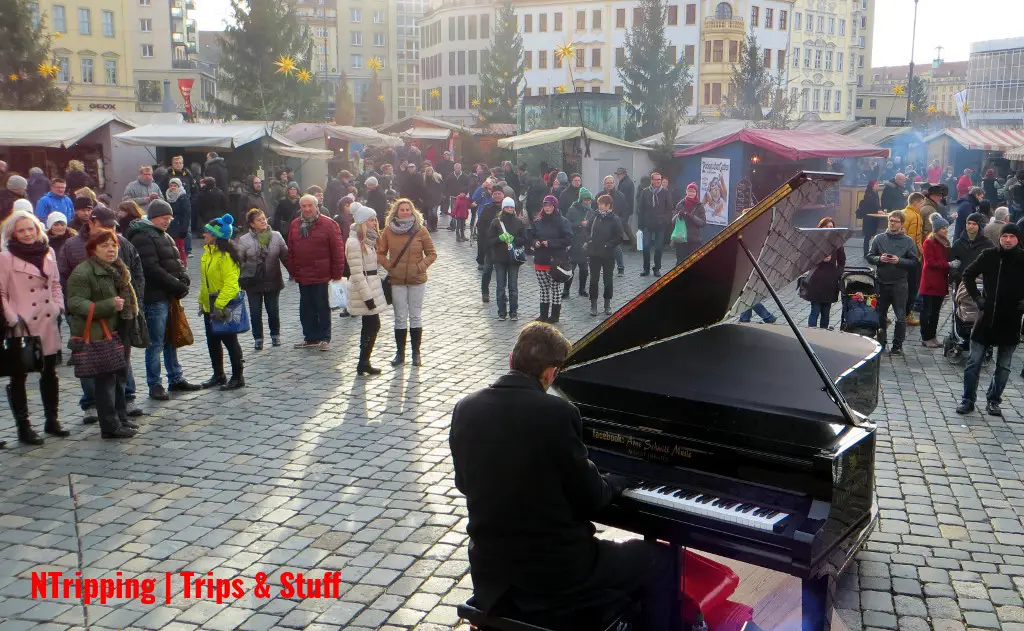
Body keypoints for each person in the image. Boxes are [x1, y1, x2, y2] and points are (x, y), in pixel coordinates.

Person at [450, 322, 676, 631]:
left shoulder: (465, 408)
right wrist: (619, 479)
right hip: (557, 571)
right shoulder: (557, 413)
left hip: (492, 568)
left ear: (510, 359)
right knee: (660, 561)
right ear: (550, 373)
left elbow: (464, 484)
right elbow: (593, 497)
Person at [0, 210, 68, 445]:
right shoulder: (6, 257)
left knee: (50, 371)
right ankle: (24, 427)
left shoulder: (48, 252)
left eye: (30, 229)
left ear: (38, 229)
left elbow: (56, 284)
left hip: (48, 319)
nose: (27, 234)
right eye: (21, 230)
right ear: (13, 234)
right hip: (21, 323)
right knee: (19, 376)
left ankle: (52, 419)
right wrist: (12, 318)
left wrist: (59, 307)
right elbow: (1, 293)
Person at [126, 200, 202, 400]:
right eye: (164, 218)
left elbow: (176, 261)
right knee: (156, 343)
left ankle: (175, 378)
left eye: (169, 218)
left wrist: (183, 277)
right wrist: (176, 285)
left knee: (171, 339)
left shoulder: (163, 234)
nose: (168, 221)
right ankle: (155, 384)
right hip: (155, 297)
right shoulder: (143, 236)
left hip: (169, 295)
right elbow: (151, 269)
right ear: (153, 218)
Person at [65, 230, 138, 439]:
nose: (111, 249)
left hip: (119, 328)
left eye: (113, 244)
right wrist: (108, 305)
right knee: (106, 380)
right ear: (93, 249)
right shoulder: (83, 272)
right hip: (100, 331)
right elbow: (75, 303)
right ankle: (110, 426)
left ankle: (121, 418)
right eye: (104, 245)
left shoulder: (118, 268)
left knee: (120, 376)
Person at [957, 223, 1024, 416]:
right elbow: (968, 274)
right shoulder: (989, 255)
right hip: (986, 319)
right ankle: (968, 399)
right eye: (1005, 237)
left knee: (1003, 366)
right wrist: (978, 299)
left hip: (1011, 319)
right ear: (1000, 238)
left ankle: (994, 400)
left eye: (1011, 236)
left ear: (1017, 239)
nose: (1008, 240)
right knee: (973, 363)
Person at [378, 198, 437, 366]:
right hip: (397, 280)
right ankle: (400, 353)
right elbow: (380, 253)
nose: (405, 212)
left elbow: (432, 253)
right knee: (400, 317)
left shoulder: (421, 230)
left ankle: (416, 354)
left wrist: (420, 266)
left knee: (415, 316)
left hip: (417, 279)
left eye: (408, 209)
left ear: (413, 212)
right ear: (396, 212)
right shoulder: (388, 231)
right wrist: (390, 267)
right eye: (402, 209)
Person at [287, 194, 345, 351]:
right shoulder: (295, 224)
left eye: (309, 206)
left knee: (322, 307)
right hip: (303, 274)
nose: (307, 209)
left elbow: (338, 250)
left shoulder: (329, 224)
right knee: (306, 308)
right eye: (304, 206)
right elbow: (291, 250)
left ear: (316, 206)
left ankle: (325, 338)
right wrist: (292, 270)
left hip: (322, 273)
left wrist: (337, 273)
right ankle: (310, 337)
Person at [197, 215, 246, 391]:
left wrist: (219, 305)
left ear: (216, 236)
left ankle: (237, 377)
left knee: (230, 341)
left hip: (223, 305)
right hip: (210, 305)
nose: (204, 235)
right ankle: (218, 375)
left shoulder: (226, 256)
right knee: (213, 341)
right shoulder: (208, 253)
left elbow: (231, 284)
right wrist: (202, 303)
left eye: (208, 233)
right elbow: (205, 282)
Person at [867, 210, 920, 356]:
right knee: (880, 315)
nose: (892, 223)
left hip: (899, 283)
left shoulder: (908, 241)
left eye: (895, 221)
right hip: (881, 282)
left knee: (900, 317)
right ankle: (882, 343)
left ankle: (897, 346)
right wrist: (879, 259)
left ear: (902, 223)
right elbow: (870, 256)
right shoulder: (879, 238)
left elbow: (915, 262)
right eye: (890, 220)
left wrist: (899, 261)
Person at [238, 209, 288, 351]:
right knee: (255, 311)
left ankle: (275, 335)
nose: (263, 221)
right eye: (259, 220)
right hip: (253, 282)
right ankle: (258, 338)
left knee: (273, 310)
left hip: (273, 279)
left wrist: (295, 273)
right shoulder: (244, 240)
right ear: (252, 224)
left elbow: (285, 256)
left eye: (264, 218)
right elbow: (238, 262)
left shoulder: (276, 236)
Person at [346, 205, 387, 376]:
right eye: (371, 220)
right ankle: (363, 361)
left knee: (370, 325)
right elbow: (357, 273)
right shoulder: (354, 243)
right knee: (372, 325)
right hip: (364, 290)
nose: (374, 223)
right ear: (363, 222)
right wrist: (368, 297)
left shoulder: (367, 240)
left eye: (375, 219)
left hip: (371, 286)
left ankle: (364, 361)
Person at [531, 196, 573, 323]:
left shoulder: (562, 221)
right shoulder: (537, 221)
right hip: (540, 260)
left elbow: (568, 239)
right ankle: (543, 315)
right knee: (543, 289)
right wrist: (535, 243)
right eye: (545, 205)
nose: (547, 207)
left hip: (556, 261)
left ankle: (554, 316)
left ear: (554, 206)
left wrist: (551, 243)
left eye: (550, 205)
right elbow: (531, 237)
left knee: (555, 289)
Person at [800, 217, 846, 329]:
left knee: (826, 311)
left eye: (831, 227)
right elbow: (806, 259)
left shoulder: (837, 242)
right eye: (827, 226)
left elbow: (842, 261)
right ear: (821, 227)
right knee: (815, 310)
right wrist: (820, 259)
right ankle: (811, 333)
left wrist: (837, 274)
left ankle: (824, 333)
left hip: (830, 281)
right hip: (816, 279)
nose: (830, 229)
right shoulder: (814, 241)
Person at [487, 197, 527, 321]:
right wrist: (500, 238)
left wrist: (514, 239)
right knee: (500, 287)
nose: (509, 209)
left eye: (512, 207)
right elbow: (489, 241)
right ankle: (501, 312)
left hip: (513, 260)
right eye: (507, 207)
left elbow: (524, 239)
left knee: (513, 287)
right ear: (503, 208)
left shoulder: (519, 222)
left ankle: (513, 312)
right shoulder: (496, 222)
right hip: (499, 259)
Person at [586, 194, 625, 317]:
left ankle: (607, 304)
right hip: (594, 254)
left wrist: (608, 245)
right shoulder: (594, 217)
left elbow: (619, 237)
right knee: (593, 279)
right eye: (598, 204)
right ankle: (593, 305)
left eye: (601, 204)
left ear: (608, 205)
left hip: (608, 254)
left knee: (608, 280)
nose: (599, 206)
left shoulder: (615, 219)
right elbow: (586, 231)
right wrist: (589, 240)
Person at [919, 214, 952, 348]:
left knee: (936, 312)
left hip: (940, 281)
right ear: (936, 229)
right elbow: (931, 262)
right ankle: (926, 337)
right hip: (930, 281)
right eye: (943, 228)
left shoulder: (944, 241)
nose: (946, 230)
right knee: (927, 311)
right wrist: (948, 265)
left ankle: (932, 336)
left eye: (946, 228)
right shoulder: (929, 241)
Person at [637, 172, 673, 277]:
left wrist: (665, 220)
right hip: (647, 224)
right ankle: (646, 269)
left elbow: (669, 208)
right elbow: (641, 209)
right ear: (651, 180)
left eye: (659, 180)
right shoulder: (645, 192)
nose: (658, 181)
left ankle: (657, 269)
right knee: (646, 246)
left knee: (658, 247)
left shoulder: (665, 192)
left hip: (660, 224)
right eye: (656, 179)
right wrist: (641, 225)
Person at [902, 192, 927, 326]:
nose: (922, 207)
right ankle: (907, 315)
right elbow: (914, 238)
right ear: (916, 203)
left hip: (898, 255)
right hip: (911, 257)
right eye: (921, 204)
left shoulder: (901, 212)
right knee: (912, 287)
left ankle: (881, 314)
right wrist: (920, 254)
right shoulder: (916, 216)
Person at [565, 188, 594, 299]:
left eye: (589, 200)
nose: (588, 202)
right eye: (586, 200)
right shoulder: (572, 210)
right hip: (574, 241)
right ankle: (566, 290)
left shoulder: (591, 211)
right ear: (581, 199)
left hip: (585, 242)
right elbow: (568, 224)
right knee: (571, 268)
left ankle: (582, 289)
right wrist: (580, 224)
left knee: (584, 269)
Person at [477, 187, 505, 298]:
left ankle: (502, 293)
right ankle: (485, 292)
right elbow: (480, 225)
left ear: (503, 194)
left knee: (501, 272)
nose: (497, 196)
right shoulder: (487, 208)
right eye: (495, 194)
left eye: (499, 193)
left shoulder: (507, 208)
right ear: (492, 195)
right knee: (487, 270)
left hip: (503, 245)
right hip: (490, 244)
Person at [672, 182, 706, 263]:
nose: (691, 193)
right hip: (681, 239)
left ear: (696, 193)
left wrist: (692, 217)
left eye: (693, 191)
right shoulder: (680, 204)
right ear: (686, 192)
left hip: (694, 240)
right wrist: (678, 215)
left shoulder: (700, 206)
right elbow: (672, 221)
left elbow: (703, 223)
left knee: (693, 263)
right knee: (680, 263)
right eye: (689, 191)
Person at [164, 178, 193, 263]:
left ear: (179, 186)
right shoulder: (167, 195)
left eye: (175, 186)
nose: (173, 187)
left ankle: (183, 265)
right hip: (169, 224)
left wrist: (184, 228)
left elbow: (186, 214)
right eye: (171, 185)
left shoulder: (183, 197)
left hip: (179, 225)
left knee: (180, 248)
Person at [421, 165, 443, 232]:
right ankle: (430, 226)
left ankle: (434, 226)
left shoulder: (436, 179)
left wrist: (439, 197)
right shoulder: (425, 180)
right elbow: (423, 190)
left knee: (434, 213)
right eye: (427, 171)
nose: (429, 172)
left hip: (435, 199)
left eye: (430, 170)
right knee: (429, 214)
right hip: (427, 200)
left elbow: (440, 189)